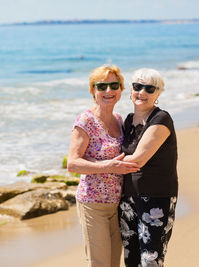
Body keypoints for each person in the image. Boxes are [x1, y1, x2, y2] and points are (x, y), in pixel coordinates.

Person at [67, 65, 140, 267]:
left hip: (117, 204)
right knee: (99, 263)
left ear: (121, 89)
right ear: (93, 90)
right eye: (102, 86)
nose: (108, 91)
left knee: (114, 263)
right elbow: (72, 163)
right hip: (93, 204)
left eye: (114, 85)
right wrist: (108, 166)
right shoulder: (86, 120)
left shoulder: (118, 119)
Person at [118, 68, 178, 267]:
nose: (142, 92)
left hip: (156, 199)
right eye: (138, 86)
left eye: (149, 89)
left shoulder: (161, 119)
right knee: (132, 258)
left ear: (158, 93)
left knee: (151, 259)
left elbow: (138, 160)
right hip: (128, 198)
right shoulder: (127, 121)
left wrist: (100, 166)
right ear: (131, 89)